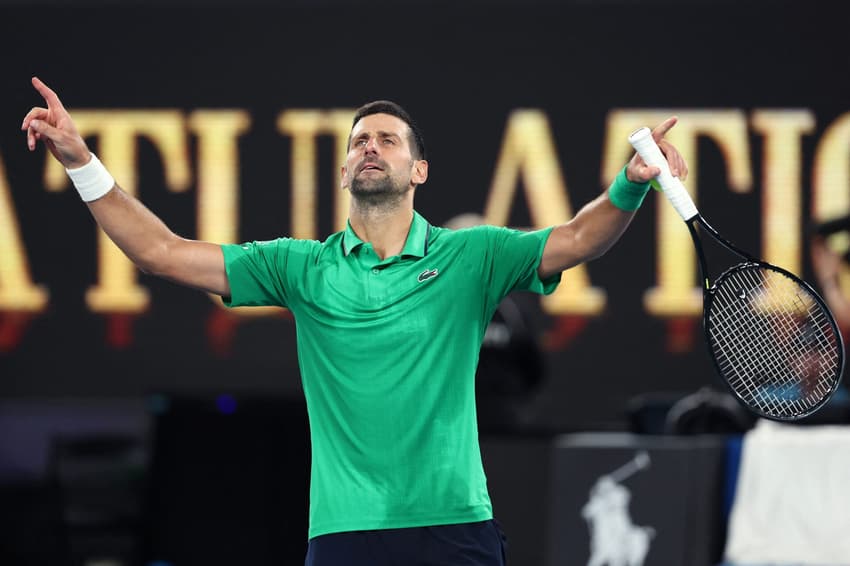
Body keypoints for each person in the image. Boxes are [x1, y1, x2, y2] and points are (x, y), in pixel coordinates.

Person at [22, 76, 688, 566]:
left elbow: (578, 239)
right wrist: (82, 162)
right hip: (346, 535)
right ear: (344, 171)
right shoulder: (300, 267)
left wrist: (631, 183)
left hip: (455, 527)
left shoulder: (472, 256)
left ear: (418, 170)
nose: (371, 147)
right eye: (360, 141)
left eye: (388, 140)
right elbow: (162, 253)